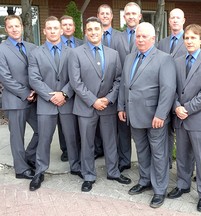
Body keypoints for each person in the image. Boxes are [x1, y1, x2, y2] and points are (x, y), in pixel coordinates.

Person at [68, 17, 131, 192]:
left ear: (102, 31)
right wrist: (93, 101)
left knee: (111, 141)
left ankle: (113, 171)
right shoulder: (76, 53)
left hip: (107, 106)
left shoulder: (113, 54)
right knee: (87, 142)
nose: (94, 32)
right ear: (85, 32)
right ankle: (88, 175)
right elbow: (76, 82)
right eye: (90, 29)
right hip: (86, 106)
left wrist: (109, 99)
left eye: (97, 29)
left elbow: (119, 80)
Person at [118, 22, 176, 208]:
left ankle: (160, 190)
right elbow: (124, 85)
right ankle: (145, 181)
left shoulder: (164, 59)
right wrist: (121, 107)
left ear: (153, 38)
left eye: (144, 36)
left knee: (159, 154)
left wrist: (161, 114)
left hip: (154, 117)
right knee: (142, 151)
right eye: (138, 36)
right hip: (133, 114)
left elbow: (168, 89)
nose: (140, 39)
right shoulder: (129, 58)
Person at [167, 24, 201, 212]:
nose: (189, 41)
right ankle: (182, 184)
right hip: (180, 117)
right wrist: (176, 107)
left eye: (193, 38)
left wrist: (185, 108)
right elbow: (170, 88)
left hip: (199, 118)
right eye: (186, 38)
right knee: (182, 155)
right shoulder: (177, 61)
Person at [28, 16, 81, 191]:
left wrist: (64, 94)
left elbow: (75, 78)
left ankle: (75, 166)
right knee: (44, 139)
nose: (52, 31)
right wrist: (51, 96)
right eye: (49, 28)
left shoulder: (72, 52)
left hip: (67, 102)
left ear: (61, 30)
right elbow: (34, 79)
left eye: (55, 28)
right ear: (44, 31)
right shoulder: (36, 53)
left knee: (71, 138)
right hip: (46, 103)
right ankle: (40, 171)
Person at [0, 15, 38, 179]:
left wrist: (36, 91)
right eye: (11, 27)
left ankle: (29, 156)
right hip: (15, 100)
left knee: (42, 130)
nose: (14, 29)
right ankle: (21, 169)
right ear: (6, 29)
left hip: (34, 98)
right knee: (17, 136)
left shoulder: (32, 47)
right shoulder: (2, 49)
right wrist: (25, 93)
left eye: (17, 26)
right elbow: (5, 77)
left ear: (22, 27)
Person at [158, 8, 187, 169]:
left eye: (178, 17)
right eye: (172, 18)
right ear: (168, 21)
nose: (175, 20)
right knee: (165, 133)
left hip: (181, 95)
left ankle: (186, 168)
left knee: (183, 135)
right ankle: (166, 163)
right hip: (163, 94)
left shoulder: (189, 39)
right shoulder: (162, 42)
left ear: (183, 20)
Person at [116, 2, 142, 173]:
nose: (131, 16)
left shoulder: (147, 34)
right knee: (123, 129)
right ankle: (124, 161)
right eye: (128, 14)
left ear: (140, 16)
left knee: (141, 132)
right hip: (122, 87)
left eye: (134, 13)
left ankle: (144, 164)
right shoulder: (115, 37)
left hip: (141, 91)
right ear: (124, 17)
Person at [93, 4, 122, 159]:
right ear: (98, 16)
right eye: (101, 13)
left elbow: (119, 71)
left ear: (112, 16)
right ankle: (98, 150)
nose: (104, 16)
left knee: (112, 131)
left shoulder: (120, 36)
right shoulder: (89, 36)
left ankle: (113, 158)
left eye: (107, 14)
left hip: (112, 92)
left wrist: (110, 97)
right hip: (91, 95)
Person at [58, 15, 83, 162]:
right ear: (61, 28)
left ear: (74, 27)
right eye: (64, 25)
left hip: (79, 88)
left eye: (70, 25)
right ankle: (66, 149)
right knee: (63, 123)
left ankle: (79, 147)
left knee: (78, 120)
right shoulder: (55, 44)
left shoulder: (81, 43)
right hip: (63, 89)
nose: (67, 27)